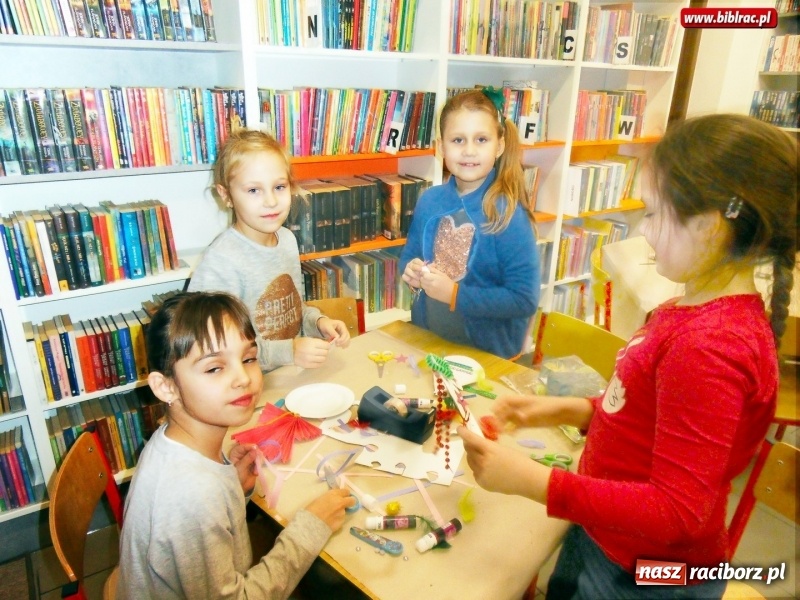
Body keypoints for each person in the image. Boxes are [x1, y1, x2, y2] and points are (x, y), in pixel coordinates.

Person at [458, 114, 797, 599]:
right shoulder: (688, 308)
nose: (647, 229)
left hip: (643, 576)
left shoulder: (710, 346)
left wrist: (537, 482)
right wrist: (566, 409)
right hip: (605, 537)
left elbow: (678, 512)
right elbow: (644, 410)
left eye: (657, 214)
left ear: (709, 226)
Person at [116, 291, 355, 599]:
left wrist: (233, 490)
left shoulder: (174, 441)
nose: (243, 377)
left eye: (248, 358)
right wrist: (311, 528)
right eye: (214, 368)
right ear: (166, 387)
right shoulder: (192, 494)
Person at [188, 129, 350, 371]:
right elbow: (215, 348)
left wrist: (318, 321)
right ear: (226, 195)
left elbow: (290, 309)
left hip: (288, 375)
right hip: (247, 386)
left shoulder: (286, 240)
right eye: (254, 190)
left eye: (279, 187)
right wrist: (289, 351)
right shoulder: (221, 261)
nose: (271, 201)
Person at [399, 88, 540, 360]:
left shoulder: (508, 214)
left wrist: (454, 294)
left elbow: (524, 299)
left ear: (499, 145)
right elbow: (410, 255)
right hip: (432, 343)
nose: (469, 151)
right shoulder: (430, 200)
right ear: (441, 147)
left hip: (488, 356)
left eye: (481, 139)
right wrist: (411, 271)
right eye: (458, 140)